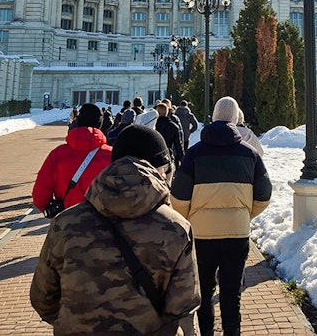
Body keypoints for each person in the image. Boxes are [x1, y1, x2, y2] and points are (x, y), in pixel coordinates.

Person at [31, 124, 200, 335]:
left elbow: (43, 299)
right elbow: (183, 305)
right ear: (160, 169)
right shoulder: (176, 228)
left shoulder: (66, 223)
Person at [170, 97, 272, 336]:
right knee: (231, 293)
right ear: (236, 119)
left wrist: (192, 219)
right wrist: (245, 214)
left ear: (214, 117)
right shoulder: (250, 154)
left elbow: (179, 197)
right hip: (237, 234)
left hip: (202, 236)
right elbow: (264, 194)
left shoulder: (194, 153)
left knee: (204, 293)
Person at [32, 103, 113, 216]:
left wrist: (49, 209)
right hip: (103, 223)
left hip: (66, 220)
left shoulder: (57, 154)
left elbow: (40, 193)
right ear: (100, 124)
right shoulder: (111, 154)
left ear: (78, 121)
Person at [153, 102, 185, 168]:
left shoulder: (153, 125)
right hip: (168, 156)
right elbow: (178, 145)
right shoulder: (173, 127)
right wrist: (183, 160)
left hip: (154, 157)